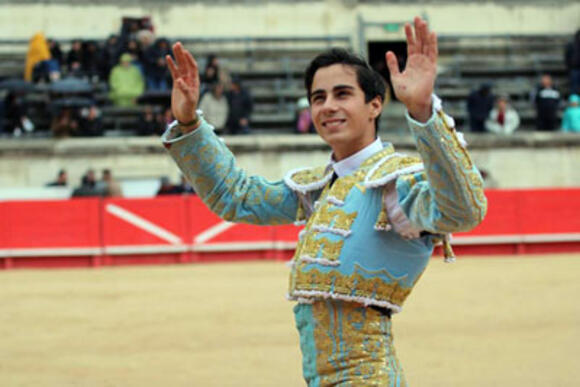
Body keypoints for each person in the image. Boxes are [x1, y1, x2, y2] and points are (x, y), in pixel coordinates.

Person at [162, 17, 486, 385]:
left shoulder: (398, 182)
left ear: (375, 106)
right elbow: (236, 197)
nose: (328, 106)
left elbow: (464, 210)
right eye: (319, 98)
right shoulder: (319, 186)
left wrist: (424, 112)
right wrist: (189, 122)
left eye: (342, 94)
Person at [564, 30, 580, 95]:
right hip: (574, 69)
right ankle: (574, 103)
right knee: (574, 88)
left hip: (574, 69)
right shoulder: (571, 45)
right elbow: (567, 57)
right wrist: (570, 67)